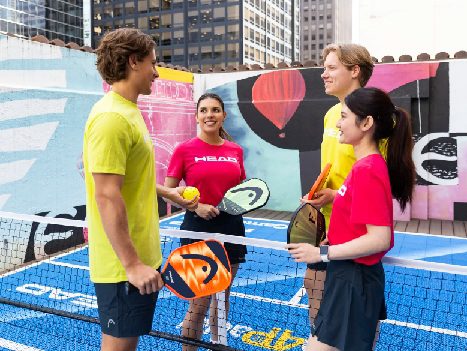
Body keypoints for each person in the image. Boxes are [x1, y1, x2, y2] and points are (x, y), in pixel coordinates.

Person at [83, 28, 197, 351]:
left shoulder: (128, 111)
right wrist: (132, 264)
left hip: (135, 259)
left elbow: (127, 178)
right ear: (133, 62)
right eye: (152, 63)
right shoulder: (111, 118)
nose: (157, 72)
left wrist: (167, 193)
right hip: (122, 267)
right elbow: (106, 193)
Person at [288, 87, 416, 351]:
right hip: (347, 277)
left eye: (345, 117)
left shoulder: (368, 169)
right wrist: (335, 213)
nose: (338, 123)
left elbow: (379, 238)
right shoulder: (363, 167)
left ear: (366, 123)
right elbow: (357, 214)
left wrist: (321, 253)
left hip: (355, 280)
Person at [164, 93, 246, 350]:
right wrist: (196, 206)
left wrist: (239, 203)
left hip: (231, 228)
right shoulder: (184, 150)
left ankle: (216, 346)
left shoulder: (235, 150)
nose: (209, 115)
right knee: (198, 303)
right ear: (197, 116)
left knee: (222, 298)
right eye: (204, 110)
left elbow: (241, 188)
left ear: (223, 115)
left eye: (215, 110)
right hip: (197, 228)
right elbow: (170, 190)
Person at [303, 43, 375, 325]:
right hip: (325, 227)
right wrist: (318, 191)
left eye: (331, 68)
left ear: (355, 71)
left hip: (356, 228)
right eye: (324, 68)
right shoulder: (331, 115)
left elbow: (379, 180)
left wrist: (337, 196)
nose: (324, 74)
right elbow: (331, 169)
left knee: (355, 312)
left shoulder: (375, 116)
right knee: (315, 286)